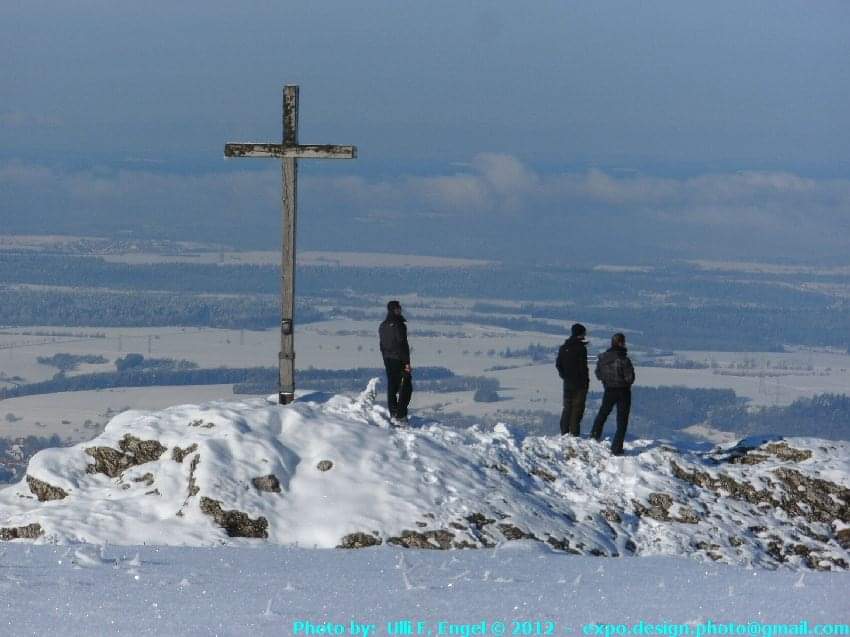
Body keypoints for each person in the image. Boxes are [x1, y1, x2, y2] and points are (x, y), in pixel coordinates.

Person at [591, 332, 636, 456]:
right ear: (621, 343)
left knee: (603, 413)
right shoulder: (624, 359)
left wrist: (607, 380)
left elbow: (598, 374)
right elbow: (630, 378)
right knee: (622, 420)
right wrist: (624, 382)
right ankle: (616, 448)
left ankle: (594, 435)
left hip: (609, 389)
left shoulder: (603, 357)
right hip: (623, 391)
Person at [379, 300, 412, 421]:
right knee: (406, 385)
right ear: (394, 310)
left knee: (392, 386)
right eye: (398, 308)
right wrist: (407, 362)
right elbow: (402, 344)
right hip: (399, 359)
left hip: (388, 359)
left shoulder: (383, 325)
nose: (400, 310)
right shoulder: (399, 324)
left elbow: (381, 345)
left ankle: (393, 412)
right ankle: (401, 414)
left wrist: (386, 358)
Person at [555, 323, 589, 436]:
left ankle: (564, 432)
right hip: (580, 384)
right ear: (581, 334)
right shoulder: (581, 348)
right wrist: (585, 381)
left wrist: (564, 376)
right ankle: (574, 434)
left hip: (567, 383)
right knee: (577, 409)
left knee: (567, 408)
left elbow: (558, 364)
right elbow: (583, 367)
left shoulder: (564, 347)